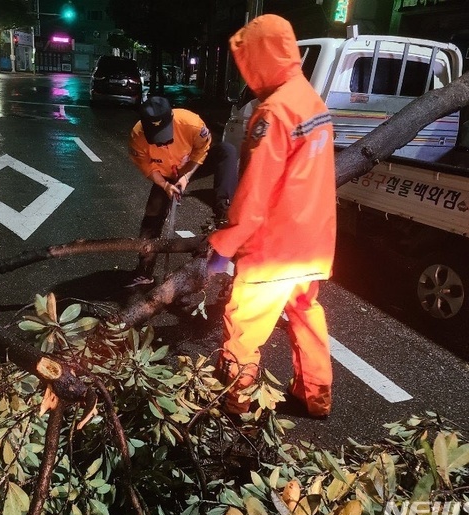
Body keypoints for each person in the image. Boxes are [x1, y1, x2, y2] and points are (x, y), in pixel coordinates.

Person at [207, 14, 337, 418]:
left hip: (274, 247)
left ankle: (238, 401)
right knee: (305, 314)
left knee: (243, 322)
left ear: (260, 58)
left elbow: (256, 191)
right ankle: (316, 395)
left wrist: (224, 245)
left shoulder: (274, 112)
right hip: (312, 244)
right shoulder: (311, 102)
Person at [126, 96, 238, 287]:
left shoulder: (191, 123)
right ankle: (145, 268)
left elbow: (202, 150)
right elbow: (149, 169)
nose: (163, 144)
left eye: (166, 136)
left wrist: (186, 176)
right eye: (157, 140)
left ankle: (224, 213)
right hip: (165, 174)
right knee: (153, 210)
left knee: (227, 151)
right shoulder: (137, 137)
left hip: (191, 166)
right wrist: (166, 185)